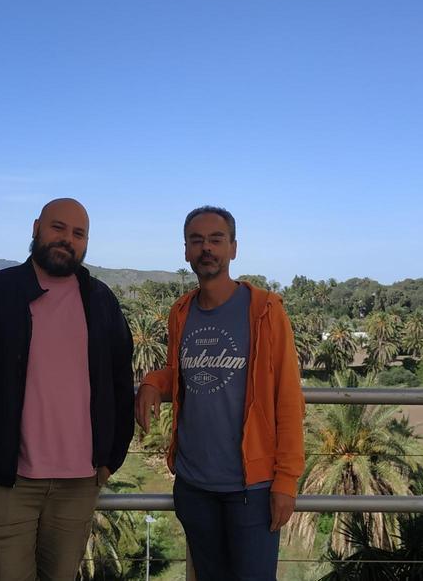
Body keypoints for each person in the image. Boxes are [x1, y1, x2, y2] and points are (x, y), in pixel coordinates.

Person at [0, 198, 135, 581]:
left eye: (78, 233)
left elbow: (120, 382)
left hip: (78, 485)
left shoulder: (101, 301)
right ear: (35, 228)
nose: (67, 239)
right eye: (58, 227)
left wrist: (111, 459)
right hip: (3, 483)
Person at [136, 205, 305, 580]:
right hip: (194, 485)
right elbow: (183, 374)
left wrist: (286, 481)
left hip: (253, 490)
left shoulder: (265, 310)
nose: (206, 248)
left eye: (216, 239)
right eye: (197, 241)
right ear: (185, 251)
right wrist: (153, 381)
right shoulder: (181, 311)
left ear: (233, 248)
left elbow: (288, 400)